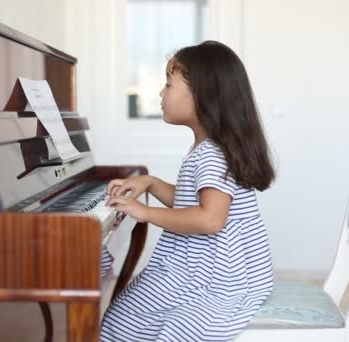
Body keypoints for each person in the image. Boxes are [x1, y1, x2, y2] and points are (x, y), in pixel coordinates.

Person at [100, 41, 275, 341]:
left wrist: (145, 212)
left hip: (218, 280)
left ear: (202, 96)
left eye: (168, 85)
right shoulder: (209, 149)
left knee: (130, 318)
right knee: (128, 309)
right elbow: (189, 201)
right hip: (217, 271)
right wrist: (151, 183)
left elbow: (210, 219)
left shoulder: (211, 155)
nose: (161, 93)